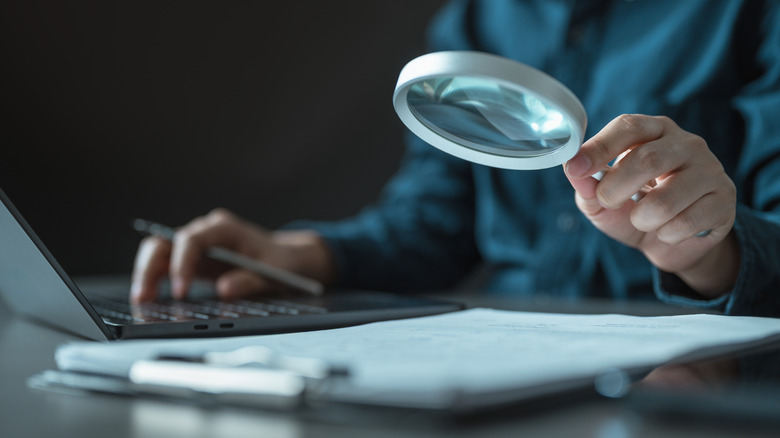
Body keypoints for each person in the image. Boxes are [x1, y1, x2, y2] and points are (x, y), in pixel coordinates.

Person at [130, 0, 780, 317]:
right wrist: (296, 257)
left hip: (684, 382)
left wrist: (708, 254)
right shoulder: (480, 18)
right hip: (497, 361)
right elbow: (434, 222)